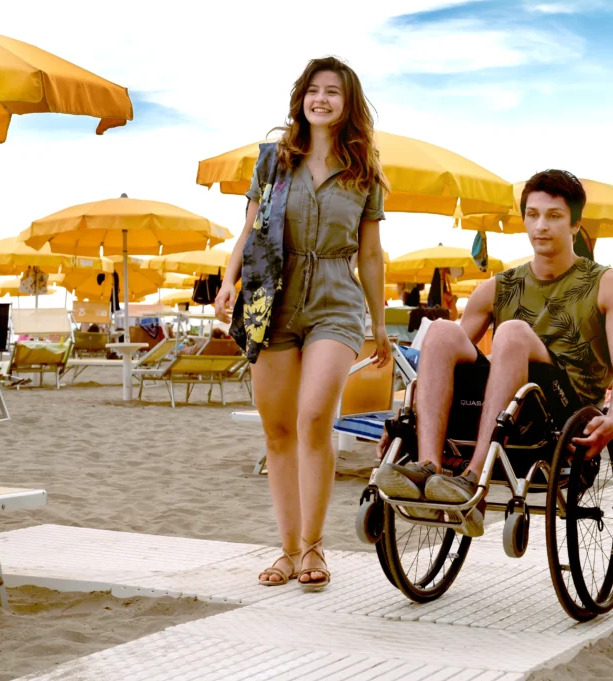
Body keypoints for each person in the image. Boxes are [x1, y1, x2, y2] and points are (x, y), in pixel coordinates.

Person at [374, 169, 613, 537]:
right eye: (532, 215)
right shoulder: (498, 287)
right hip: (501, 403)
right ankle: (428, 465)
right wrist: (403, 421)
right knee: (440, 330)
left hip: (564, 411)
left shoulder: (610, 285)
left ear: (576, 225)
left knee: (513, 332)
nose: (541, 226)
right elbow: (443, 365)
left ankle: (473, 479)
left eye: (554, 216)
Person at [214, 56, 390, 589]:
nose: (321, 99)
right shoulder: (273, 162)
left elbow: (373, 255)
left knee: (316, 416)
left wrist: (379, 325)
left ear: (348, 102)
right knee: (278, 429)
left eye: (333, 91)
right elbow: (248, 230)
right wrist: (229, 281)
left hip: (337, 299)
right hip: (274, 298)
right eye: (313, 90)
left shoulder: (365, 171)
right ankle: (287, 550)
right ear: (301, 98)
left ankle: (315, 549)